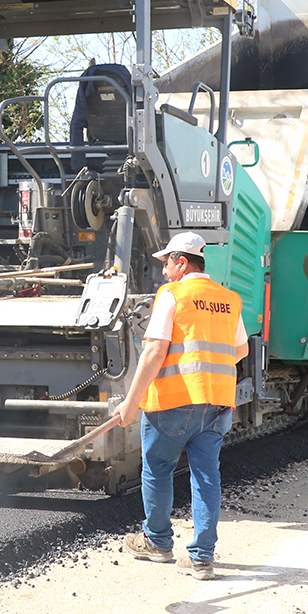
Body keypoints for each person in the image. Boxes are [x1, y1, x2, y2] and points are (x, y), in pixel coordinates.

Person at [116, 232, 249, 580]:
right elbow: (241, 350)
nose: (164, 273)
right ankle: (202, 558)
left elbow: (155, 351)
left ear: (182, 262)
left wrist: (130, 403)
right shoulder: (229, 299)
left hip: (173, 403)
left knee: (157, 468)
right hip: (217, 405)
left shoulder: (173, 295)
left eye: (167, 264)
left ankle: (158, 542)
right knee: (207, 477)